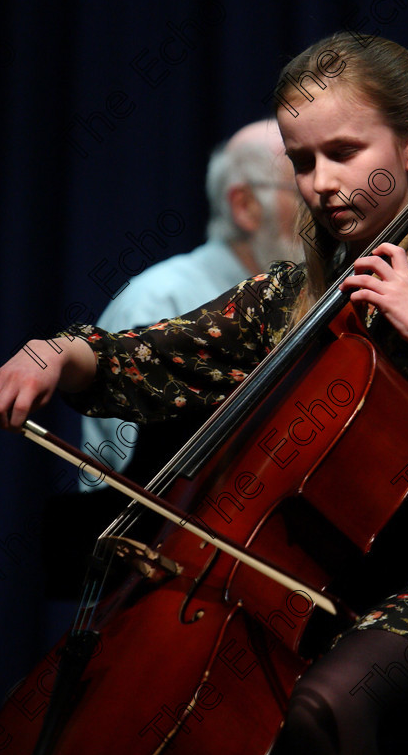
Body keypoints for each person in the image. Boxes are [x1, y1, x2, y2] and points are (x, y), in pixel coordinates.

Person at [0, 32, 408, 755]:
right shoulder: (292, 297)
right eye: (304, 161)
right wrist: (53, 355)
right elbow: (143, 358)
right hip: (322, 588)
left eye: (345, 153)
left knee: (323, 712)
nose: (323, 182)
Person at [81, 117, 301, 486]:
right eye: (301, 181)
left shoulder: (299, 297)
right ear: (245, 205)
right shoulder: (160, 299)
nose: (323, 196)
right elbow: (149, 478)